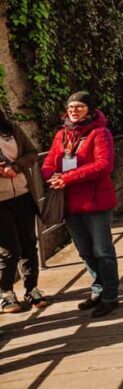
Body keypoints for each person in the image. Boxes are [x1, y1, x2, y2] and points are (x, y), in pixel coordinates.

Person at [42, 91, 120, 318]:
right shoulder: (62, 135)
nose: (74, 110)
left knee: (103, 250)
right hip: (70, 202)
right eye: (71, 107)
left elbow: (104, 165)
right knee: (85, 250)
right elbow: (49, 161)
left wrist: (66, 178)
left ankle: (111, 296)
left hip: (95, 201)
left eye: (80, 106)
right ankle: (98, 289)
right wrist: (52, 174)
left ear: (90, 110)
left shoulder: (100, 133)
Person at [0, 110, 50, 313]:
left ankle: (32, 289)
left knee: (29, 243)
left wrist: (17, 167)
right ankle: (6, 294)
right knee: (9, 250)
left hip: (23, 195)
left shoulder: (11, 129)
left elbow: (32, 152)